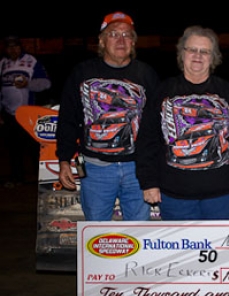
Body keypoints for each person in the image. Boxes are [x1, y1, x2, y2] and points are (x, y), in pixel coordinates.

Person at [136, 25, 229, 220]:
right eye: (192, 50)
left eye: (204, 51)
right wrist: (149, 182)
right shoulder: (163, 91)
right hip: (174, 197)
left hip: (221, 197)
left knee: (220, 250)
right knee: (179, 250)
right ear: (182, 54)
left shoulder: (227, 93)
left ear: (213, 57)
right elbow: (147, 140)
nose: (198, 56)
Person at [56, 12, 160, 221]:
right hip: (94, 168)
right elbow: (67, 118)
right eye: (113, 34)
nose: (121, 40)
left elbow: (157, 124)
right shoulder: (82, 73)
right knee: (95, 234)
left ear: (134, 42)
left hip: (137, 169)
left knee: (139, 233)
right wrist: (64, 160)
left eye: (127, 35)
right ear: (101, 41)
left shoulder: (146, 74)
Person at [0, 35, 52, 188]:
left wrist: (28, 84)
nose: (13, 50)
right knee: (12, 148)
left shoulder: (31, 61)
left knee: (33, 148)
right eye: (9, 47)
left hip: (28, 112)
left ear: (20, 47)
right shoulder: (3, 63)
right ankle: (16, 178)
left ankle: (41, 180)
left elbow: (46, 83)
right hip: (9, 114)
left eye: (15, 46)